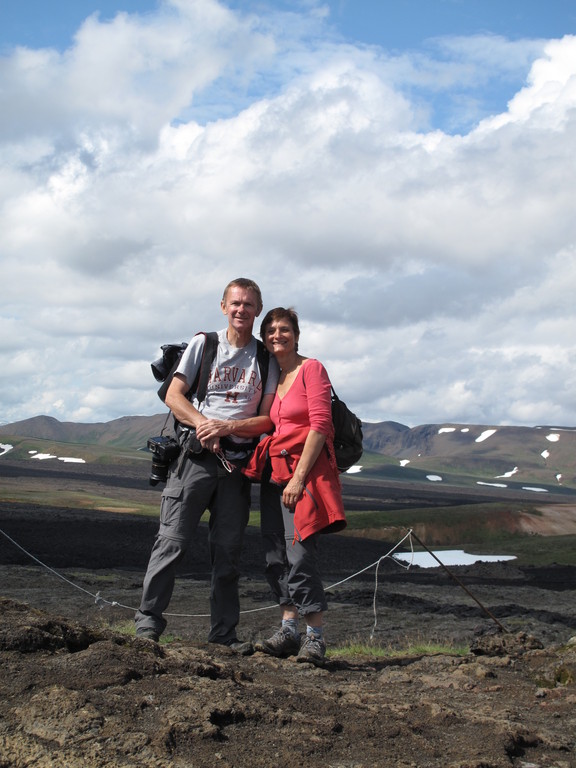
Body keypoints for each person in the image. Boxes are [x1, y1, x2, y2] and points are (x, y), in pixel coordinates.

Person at [135, 278, 279, 653]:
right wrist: (203, 425)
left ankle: (223, 635)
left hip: (237, 469)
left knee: (228, 553)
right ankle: (147, 627)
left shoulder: (266, 358)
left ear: (257, 310)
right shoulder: (205, 344)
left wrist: (227, 427)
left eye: (248, 304)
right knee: (171, 542)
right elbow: (173, 394)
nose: (241, 310)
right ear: (222, 306)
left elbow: (265, 420)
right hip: (195, 460)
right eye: (235, 303)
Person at [243, 307, 346, 664]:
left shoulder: (311, 369)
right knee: (276, 555)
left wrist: (299, 478)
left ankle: (315, 636)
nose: (276, 335)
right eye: (270, 330)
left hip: (303, 476)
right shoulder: (275, 376)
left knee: (300, 554)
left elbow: (320, 425)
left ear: (297, 335)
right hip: (274, 476)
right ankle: (289, 631)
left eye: (284, 329)